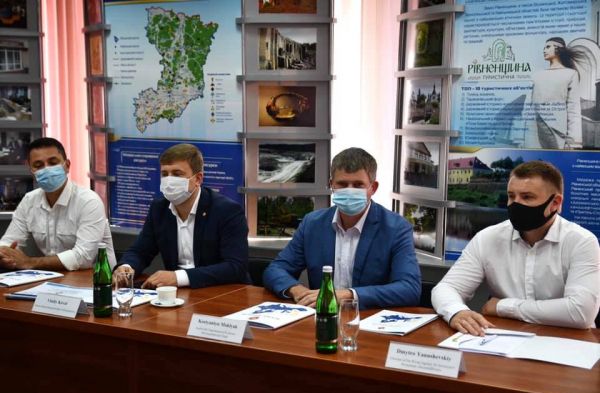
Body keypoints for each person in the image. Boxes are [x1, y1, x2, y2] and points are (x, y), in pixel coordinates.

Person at [432, 161, 600, 334]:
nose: (515, 204)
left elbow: (581, 312)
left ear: (555, 203)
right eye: (511, 196)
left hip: (570, 340)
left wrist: (502, 306)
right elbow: (446, 288)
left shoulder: (581, 242)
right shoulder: (488, 238)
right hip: (505, 337)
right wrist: (457, 312)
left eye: (527, 197)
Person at [263, 147, 421, 309]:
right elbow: (276, 269)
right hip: (322, 316)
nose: (350, 190)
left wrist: (348, 295)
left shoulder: (396, 228)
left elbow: (409, 288)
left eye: (358, 185)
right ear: (331, 185)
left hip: (368, 318)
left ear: (373, 188)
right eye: (343, 184)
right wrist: (298, 291)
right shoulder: (313, 223)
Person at [114, 143, 250, 289]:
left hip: (222, 291)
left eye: (177, 174)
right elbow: (140, 251)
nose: (169, 180)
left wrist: (178, 277)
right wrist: (126, 267)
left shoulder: (227, 210)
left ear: (198, 179)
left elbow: (235, 266)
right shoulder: (159, 208)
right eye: (164, 174)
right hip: (176, 293)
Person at [0, 137, 116, 270]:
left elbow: (83, 257)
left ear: (67, 165)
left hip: (96, 278)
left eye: (53, 162)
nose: (46, 169)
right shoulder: (29, 200)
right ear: (31, 170)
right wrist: (4, 255)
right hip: (54, 278)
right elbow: (8, 242)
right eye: (38, 165)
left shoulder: (89, 201)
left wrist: (29, 262)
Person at [529, 37, 586, 149]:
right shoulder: (536, 76)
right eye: (544, 48)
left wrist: (574, 141)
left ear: (558, 49)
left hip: (559, 134)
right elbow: (528, 107)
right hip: (535, 133)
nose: (544, 50)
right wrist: (521, 137)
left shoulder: (571, 74)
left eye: (548, 47)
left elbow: (573, 109)